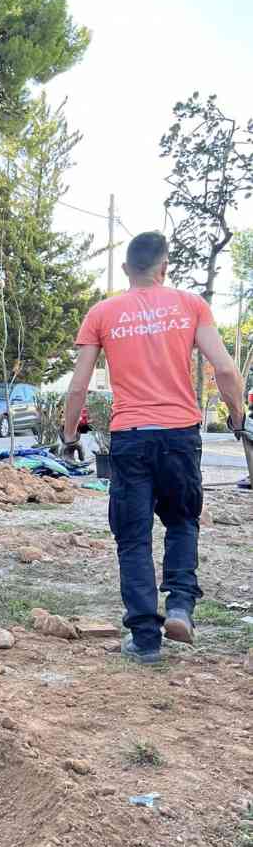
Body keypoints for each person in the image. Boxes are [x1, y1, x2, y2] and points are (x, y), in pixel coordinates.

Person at [62, 231, 246, 664]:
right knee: (182, 522)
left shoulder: (102, 313)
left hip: (131, 438)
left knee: (132, 537)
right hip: (180, 434)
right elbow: (224, 368)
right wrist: (237, 415)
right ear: (164, 267)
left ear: (126, 269)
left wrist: (70, 436)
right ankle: (181, 604)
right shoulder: (189, 304)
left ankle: (146, 638)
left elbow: (77, 387)